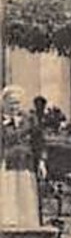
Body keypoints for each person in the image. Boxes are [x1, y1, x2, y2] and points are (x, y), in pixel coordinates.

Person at [1, 87, 42, 226]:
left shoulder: (29, 119)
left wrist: (42, 161)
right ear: (4, 103)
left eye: (17, 103)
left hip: (26, 162)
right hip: (7, 163)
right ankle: (8, 223)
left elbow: (38, 141)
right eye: (11, 103)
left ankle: (28, 223)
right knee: (8, 191)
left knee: (26, 192)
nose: (14, 107)